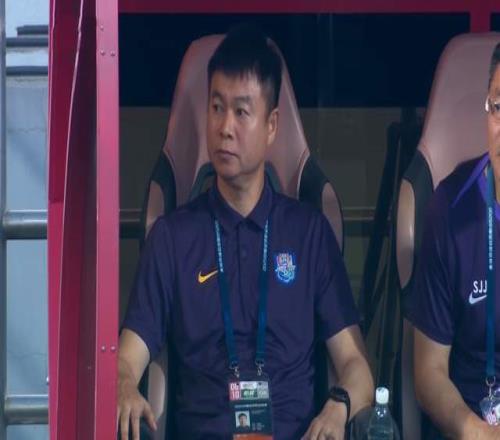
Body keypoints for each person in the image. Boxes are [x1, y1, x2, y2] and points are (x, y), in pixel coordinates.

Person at [117, 24, 374, 440]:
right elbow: (125, 361)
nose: (224, 127)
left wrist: (338, 407)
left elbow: (356, 365)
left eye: (241, 112)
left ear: (272, 125)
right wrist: (125, 387)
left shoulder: (308, 234)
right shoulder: (172, 239)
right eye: (216, 107)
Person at [406, 42, 500, 438]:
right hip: (473, 419)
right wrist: (475, 431)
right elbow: (429, 371)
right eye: (498, 107)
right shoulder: (450, 207)